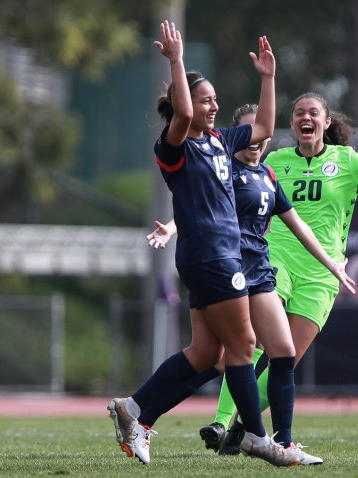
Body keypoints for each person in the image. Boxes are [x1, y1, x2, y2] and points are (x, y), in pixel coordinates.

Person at [109, 21, 303, 467]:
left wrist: (268, 78)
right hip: (211, 256)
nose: (213, 105)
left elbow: (265, 125)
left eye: (215, 99)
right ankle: (255, 437)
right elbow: (180, 115)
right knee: (243, 344)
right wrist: (176, 62)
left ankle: (134, 409)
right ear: (186, 104)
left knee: (207, 354)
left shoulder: (220, 140)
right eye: (205, 99)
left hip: (214, 258)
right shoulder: (174, 146)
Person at [198, 93, 358, 457]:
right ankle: (221, 422)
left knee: (286, 359)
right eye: (299, 112)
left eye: (313, 112)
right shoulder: (276, 160)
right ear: (292, 124)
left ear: (326, 122)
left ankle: (242, 424)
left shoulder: (346, 160)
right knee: (253, 343)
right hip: (276, 262)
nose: (306, 117)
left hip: (322, 274)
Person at [145, 104, 355, 465]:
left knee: (273, 354)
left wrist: (332, 263)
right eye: (251, 133)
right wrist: (172, 227)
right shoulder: (224, 169)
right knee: (218, 357)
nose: (258, 140)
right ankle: (220, 428)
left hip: (259, 272)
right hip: (226, 271)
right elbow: (200, 206)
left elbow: (298, 226)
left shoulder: (268, 176)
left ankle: (278, 441)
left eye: (263, 135)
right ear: (238, 135)